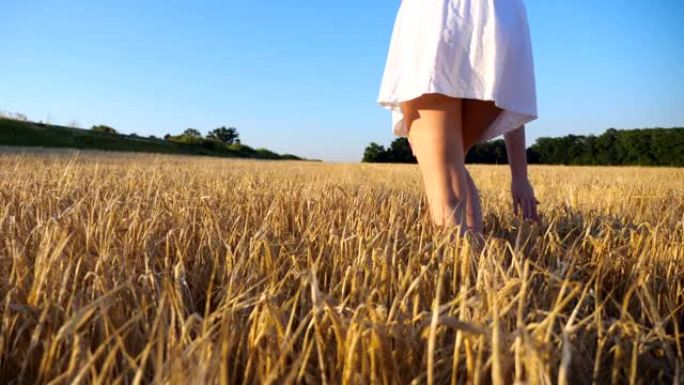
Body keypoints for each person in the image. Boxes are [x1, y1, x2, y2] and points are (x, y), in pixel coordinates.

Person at [377, 0, 541, 239]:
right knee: (453, 164)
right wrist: (519, 177)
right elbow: (509, 100)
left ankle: (462, 271)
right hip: (499, 22)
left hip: (437, 18)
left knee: (446, 179)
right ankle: (474, 259)